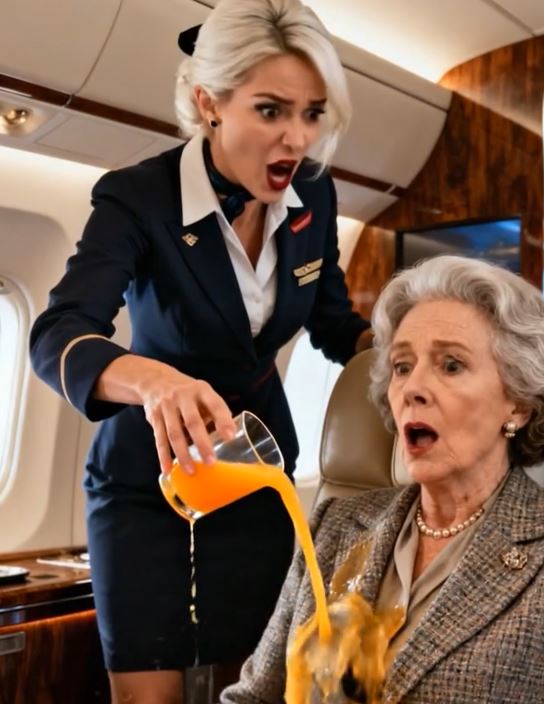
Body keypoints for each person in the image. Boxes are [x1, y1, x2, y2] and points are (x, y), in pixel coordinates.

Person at [29, 0, 372, 701]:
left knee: (255, 683)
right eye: (271, 111)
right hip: (146, 480)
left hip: (256, 470)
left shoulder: (314, 194)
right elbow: (58, 333)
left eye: (312, 113)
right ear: (209, 103)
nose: (297, 138)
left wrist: (401, 352)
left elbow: (335, 322)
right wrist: (154, 382)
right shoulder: (139, 198)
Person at [220, 255, 544, 704]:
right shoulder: (334, 525)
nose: (412, 388)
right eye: (402, 366)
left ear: (519, 403)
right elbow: (252, 697)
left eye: (451, 365)